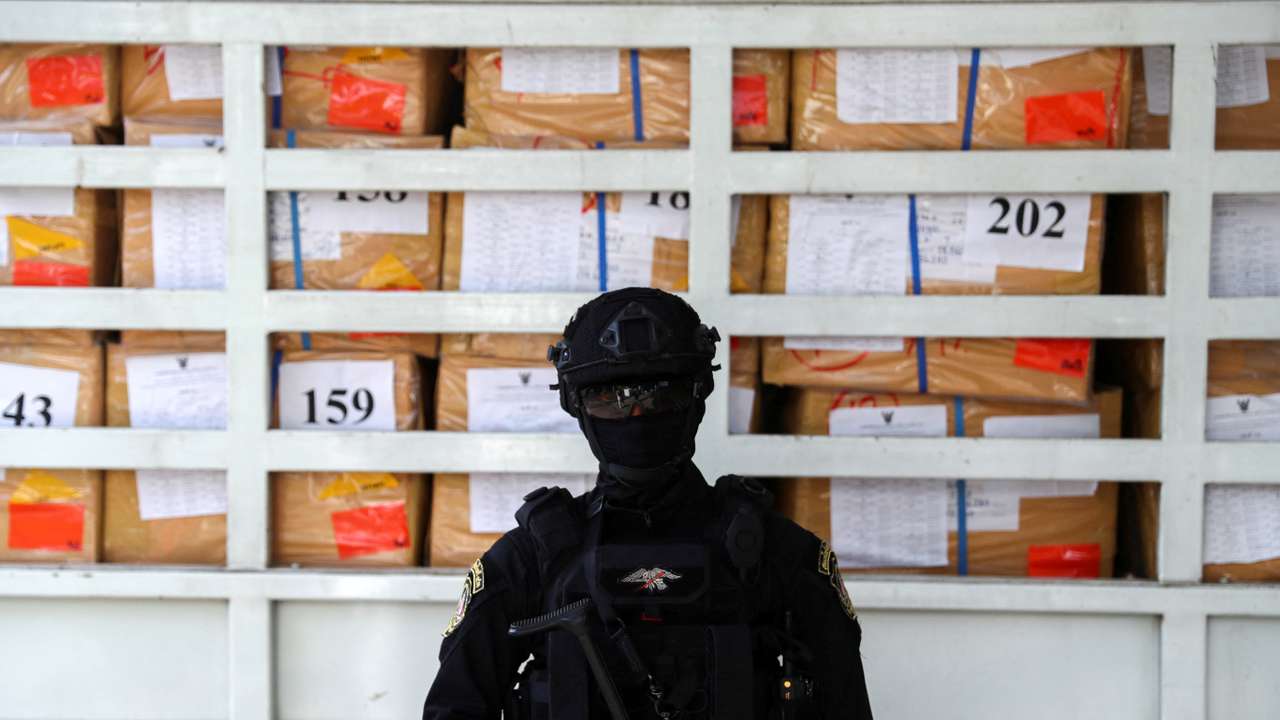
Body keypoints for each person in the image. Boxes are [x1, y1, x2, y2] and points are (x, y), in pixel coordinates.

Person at [424, 287, 873, 719]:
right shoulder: (530, 560)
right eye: (609, 399)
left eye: (660, 394)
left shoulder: (775, 553)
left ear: (698, 395)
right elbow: (454, 708)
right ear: (574, 404)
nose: (635, 416)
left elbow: (845, 704)